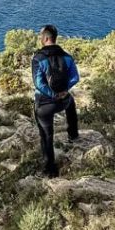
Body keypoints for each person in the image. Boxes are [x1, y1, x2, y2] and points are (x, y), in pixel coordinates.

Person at [31, 24, 80, 177]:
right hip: (63, 101)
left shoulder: (38, 58)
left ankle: (49, 170)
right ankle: (73, 135)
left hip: (45, 105)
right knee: (71, 102)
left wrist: (52, 94)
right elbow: (75, 78)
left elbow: (38, 83)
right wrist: (64, 91)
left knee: (46, 135)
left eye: (41, 36)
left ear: (45, 38)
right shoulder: (67, 56)